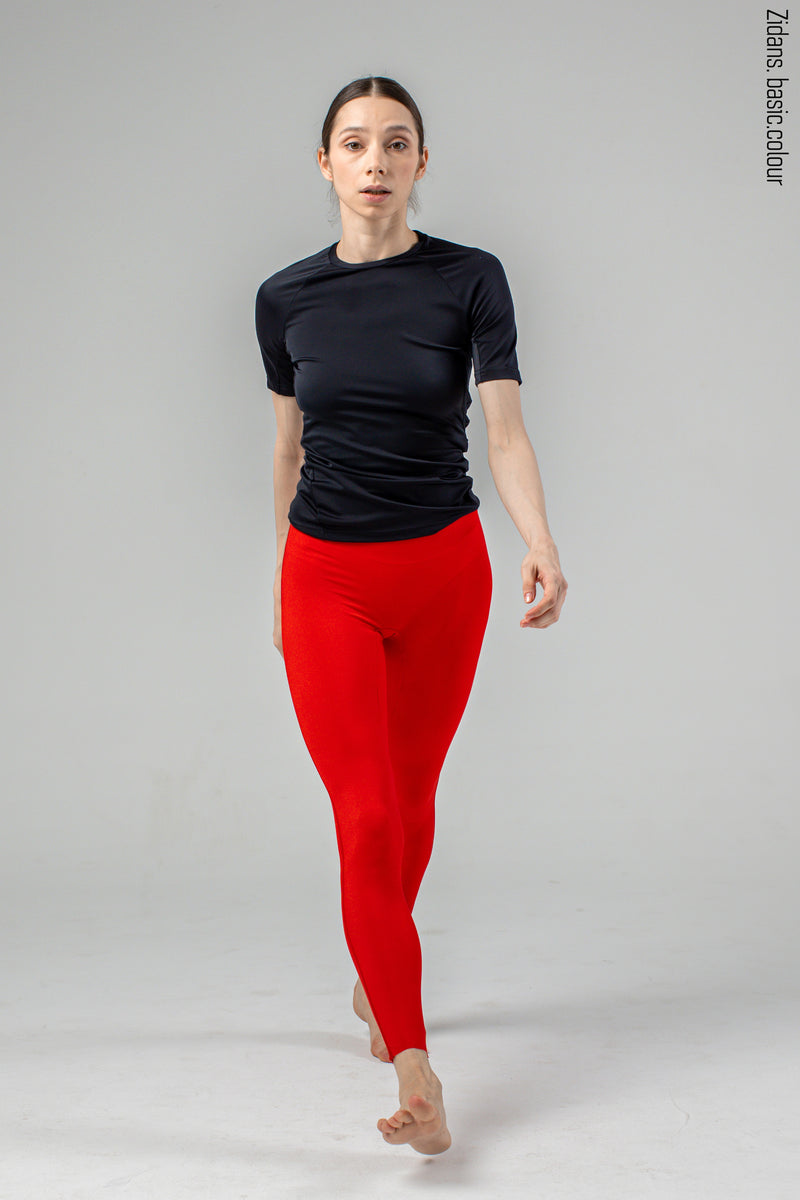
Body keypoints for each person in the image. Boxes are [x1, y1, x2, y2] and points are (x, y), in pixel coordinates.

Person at [254, 75, 567, 1156]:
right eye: (354, 143)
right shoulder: (284, 298)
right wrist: (280, 580)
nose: (375, 161)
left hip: (443, 575)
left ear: (421, 163)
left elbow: (504, 429)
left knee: (414, 799)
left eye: (396, 143)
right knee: (368, 818)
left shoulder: (469, 278)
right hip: (327, 578)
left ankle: (372, 972)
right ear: (325, 164)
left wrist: (538, 539)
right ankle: (415, 1064)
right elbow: (287, 450)